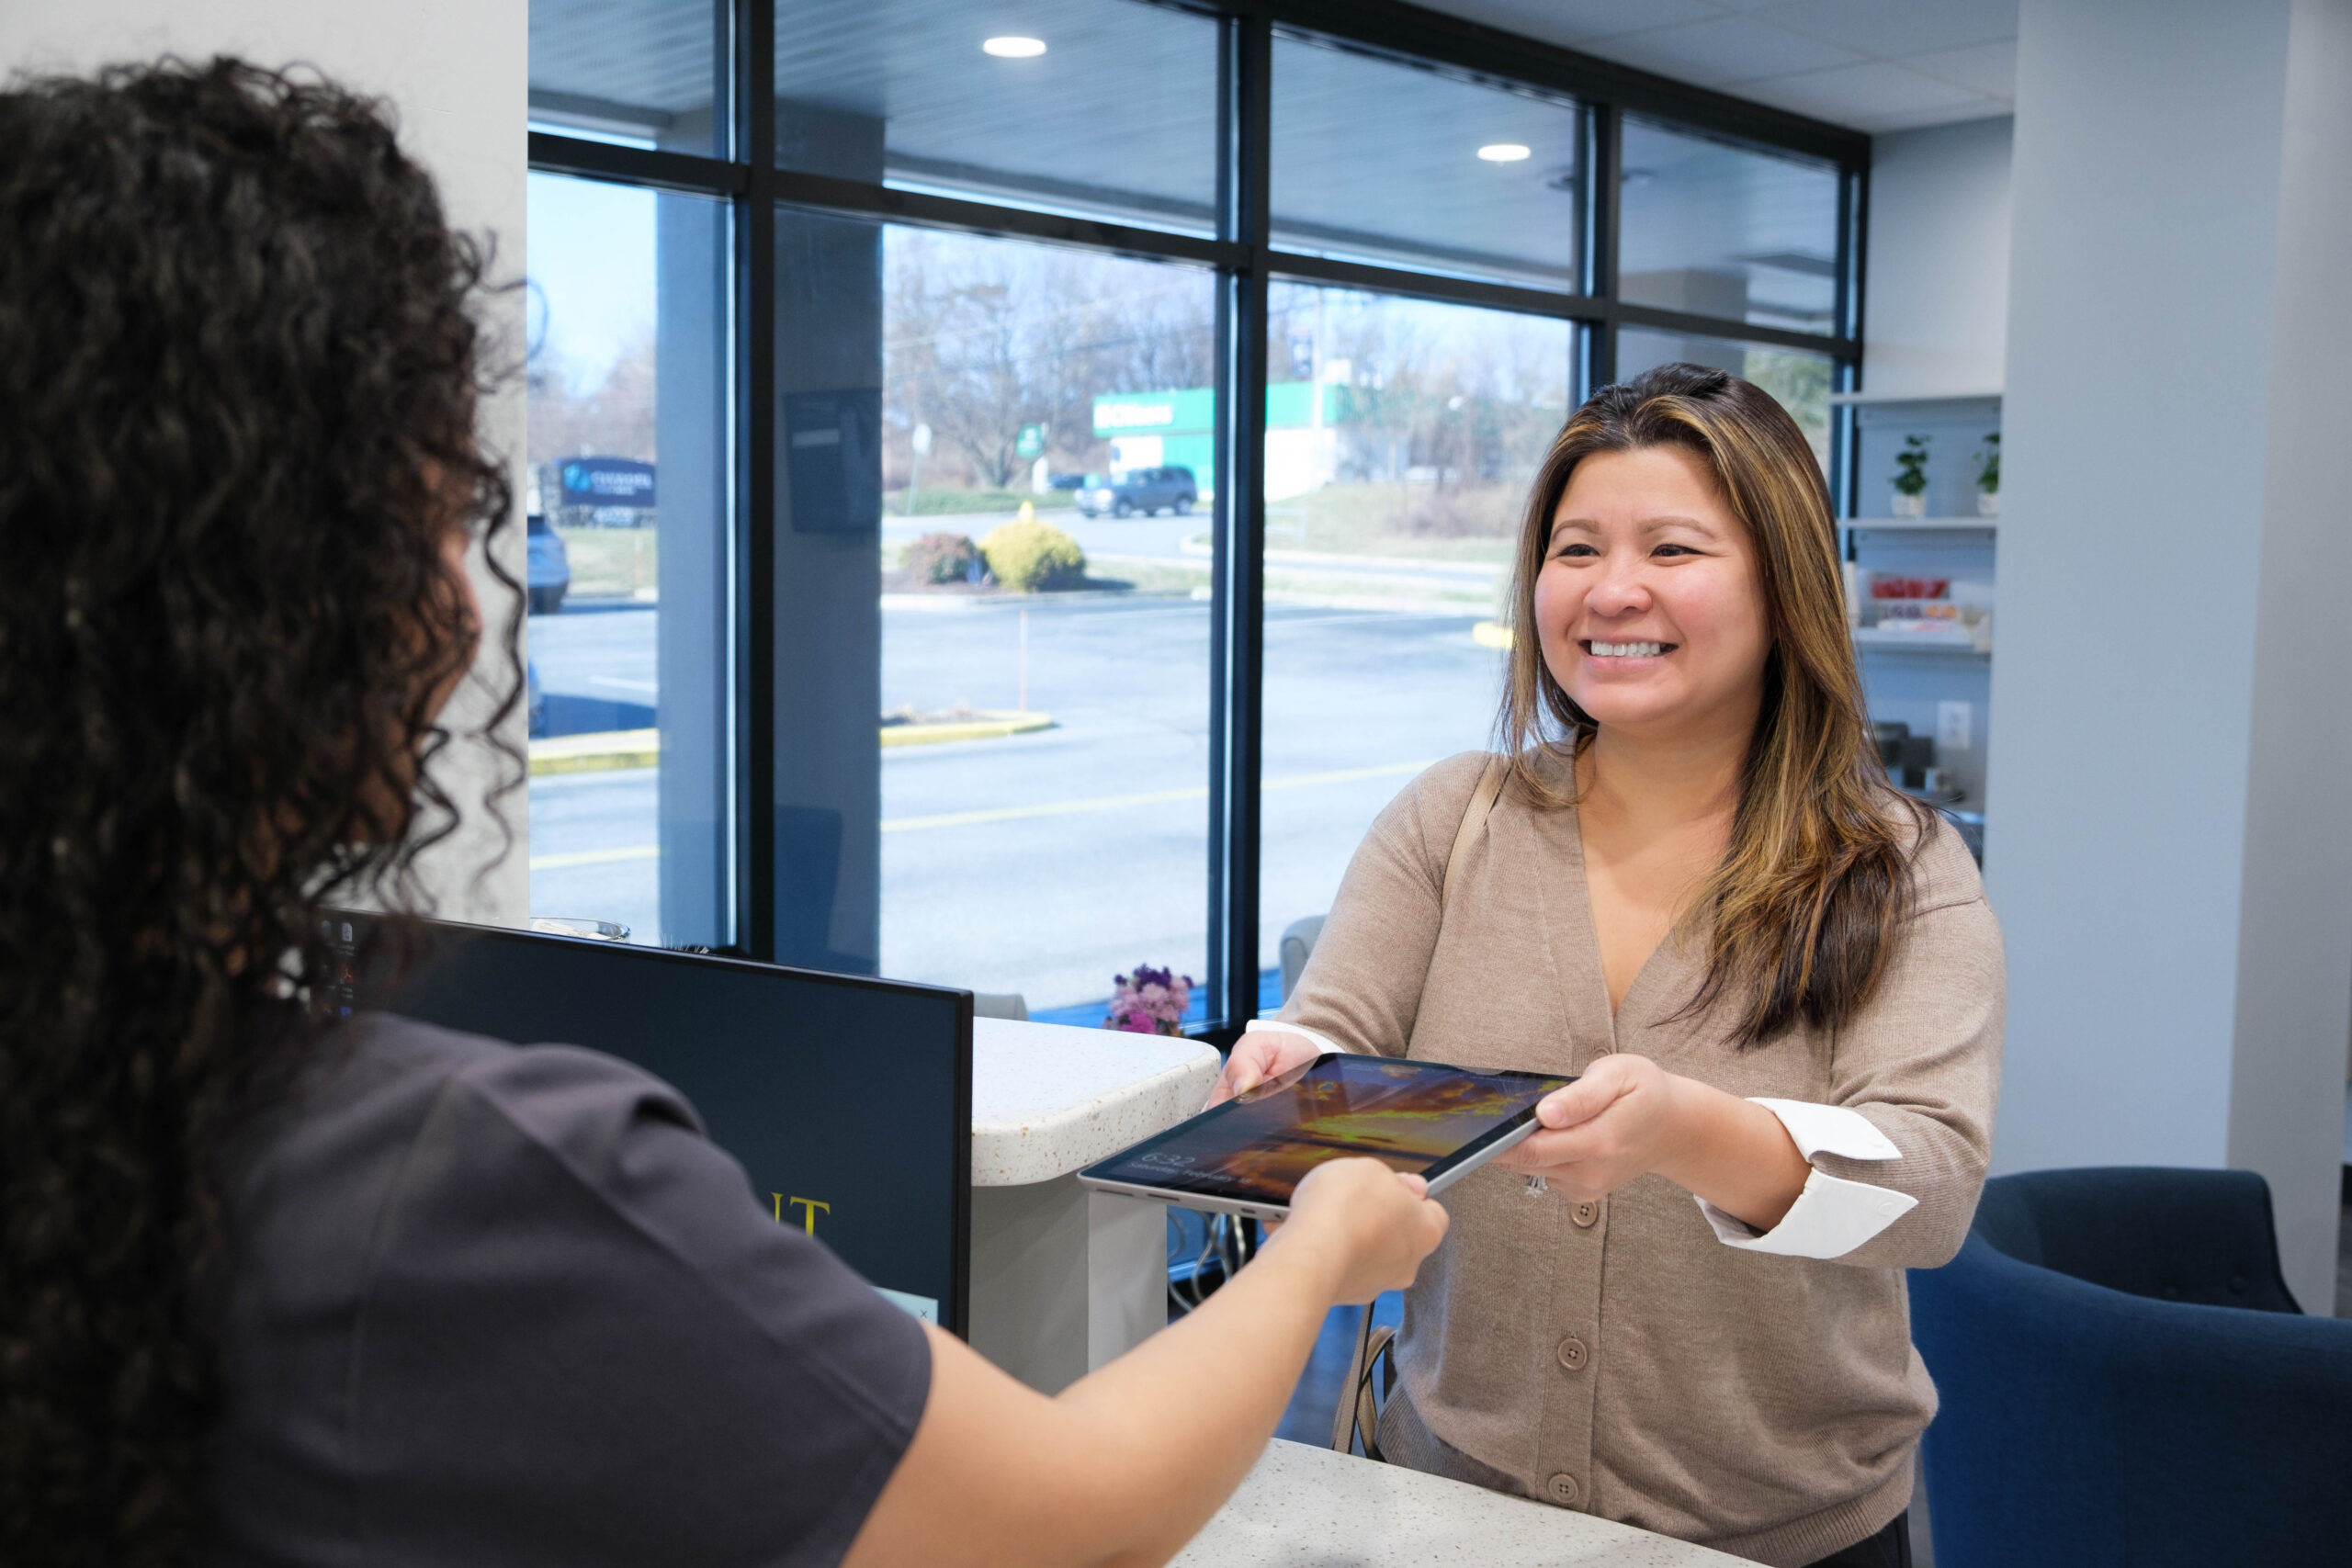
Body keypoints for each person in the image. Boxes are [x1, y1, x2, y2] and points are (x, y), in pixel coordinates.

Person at [0, 59, 1449, 1568]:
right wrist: (1324, 1249)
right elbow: (1066, 1520)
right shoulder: (461, 1178)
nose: (462, 585)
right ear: (291, 595)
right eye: (439, 507)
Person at [1212, 364, 2004, 1568]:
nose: (1613, 590)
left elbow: (1930, 1192)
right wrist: (1298, 1071)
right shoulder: (1454, 819)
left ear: (1783, 587)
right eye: (1576, 548)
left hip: (1780, 1534)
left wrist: (1691, 1133)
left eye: (1674, 549)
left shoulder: (1897, 867)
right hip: (1448, 1503)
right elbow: (1339, 1027)